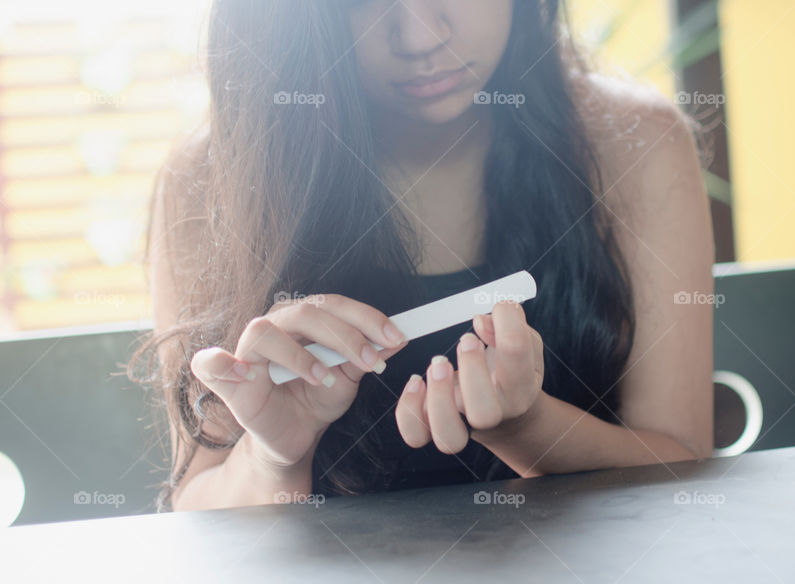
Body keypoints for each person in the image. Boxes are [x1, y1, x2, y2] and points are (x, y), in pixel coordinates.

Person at [131, 0, 715, 512]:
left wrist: (530, 428)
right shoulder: (212, 180)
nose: (419, 37)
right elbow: (199, 505)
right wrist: (273, 459)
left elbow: (682, 461)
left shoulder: (634, 144)